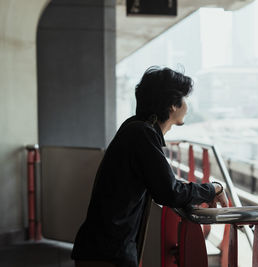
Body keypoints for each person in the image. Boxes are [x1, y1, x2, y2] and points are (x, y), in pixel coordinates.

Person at [71, 66, 228, 267]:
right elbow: (169, 192)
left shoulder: (136, 127)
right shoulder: (142, 134)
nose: (188, 104)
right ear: (173, 104)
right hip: (108, 252)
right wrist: (213, 188)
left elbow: (163, 182)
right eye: (185, 98)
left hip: (102, 247)